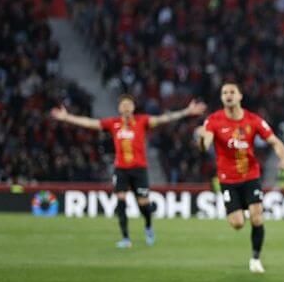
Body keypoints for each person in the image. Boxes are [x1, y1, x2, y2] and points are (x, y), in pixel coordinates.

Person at [51, 95, 206, 248]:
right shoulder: (113, 123)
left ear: (133, 107)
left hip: (139, 170)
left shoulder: (142, 121)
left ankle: (148, 226)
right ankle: (125, 238)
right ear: (119, 108)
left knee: (143, 204)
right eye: (123, 105)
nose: (126, 107)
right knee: (121, 201)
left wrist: (186, 111)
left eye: (128, 104)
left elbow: (163, 119)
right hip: (121, 170)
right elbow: (90, 123)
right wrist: (67, 117)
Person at [196, 82, 284, 274]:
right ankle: (245, 210)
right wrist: (201, 140)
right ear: (221, 97)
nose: (228, 95)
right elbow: (205, 145)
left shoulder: (253, 120)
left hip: (250, 176)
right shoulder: (213, 120)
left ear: (240, 96)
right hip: (227, 179)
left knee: (257, 218)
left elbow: (275, 141)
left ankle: (255, 259)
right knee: (238, 224)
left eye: (232, 92)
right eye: (224, 92)